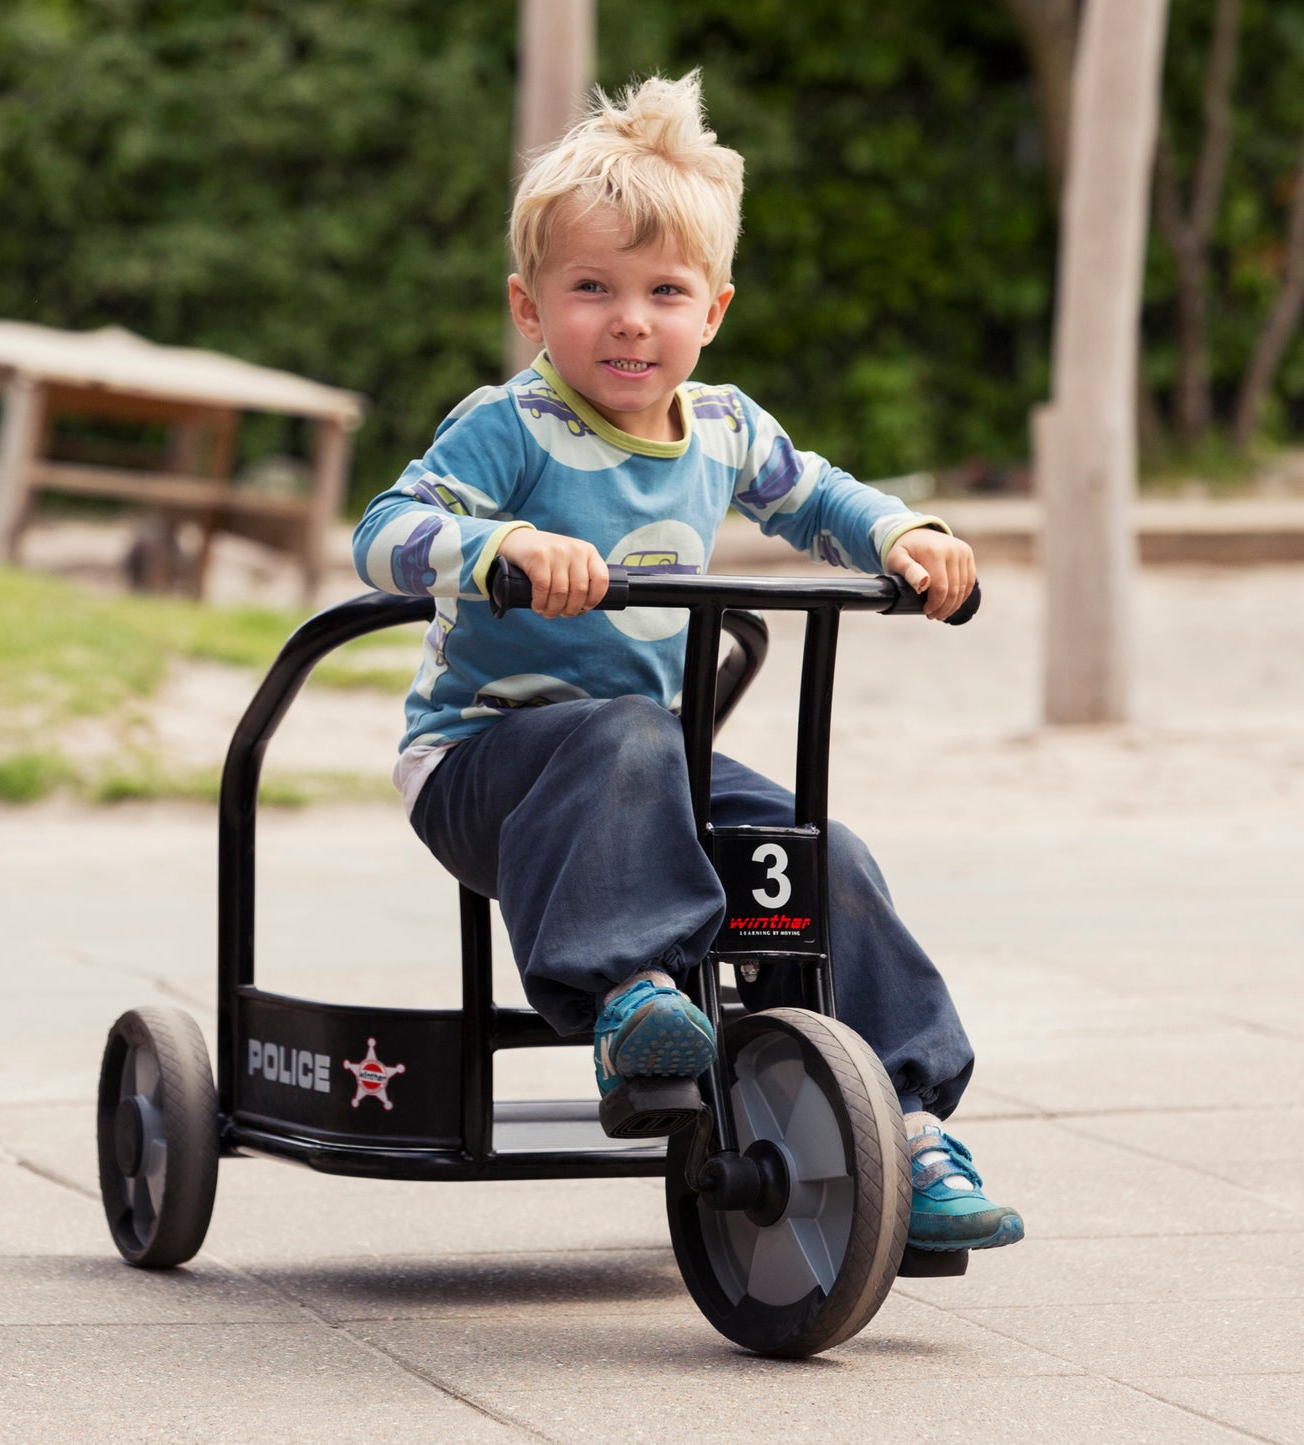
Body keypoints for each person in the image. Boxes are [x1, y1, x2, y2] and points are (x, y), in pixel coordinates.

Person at [353, 71, 1021, 1252]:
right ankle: (629, 1003)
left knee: (822, 851)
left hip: (645, 767)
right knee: (623, 733)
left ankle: (900, 1116)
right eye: (590, 290)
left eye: (662, 291)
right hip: (483, 768)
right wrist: (499, 544)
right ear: (528, 306)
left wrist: (902, 535)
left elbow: (812, 494)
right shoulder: (511, 425)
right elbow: (385, 534)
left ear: (710, 309)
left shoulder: (721, 426)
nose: (627, 320)